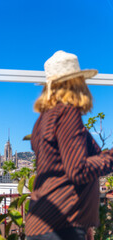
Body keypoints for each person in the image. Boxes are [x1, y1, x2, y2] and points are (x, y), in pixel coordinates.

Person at [25, 50, 113, 240]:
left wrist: (84, 223)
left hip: (46, 222)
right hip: (61, 225)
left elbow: (60, 169)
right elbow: (78, 170)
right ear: (76, 84)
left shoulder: (43, 120)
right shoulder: (66, 114)